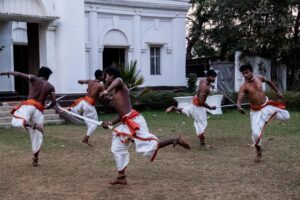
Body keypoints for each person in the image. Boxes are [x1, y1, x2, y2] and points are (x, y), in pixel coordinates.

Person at [100, 66, 190, 185]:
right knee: (117, 147)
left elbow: (119, 80)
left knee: (148, 145)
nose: (104, 79)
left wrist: (106, 91)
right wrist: (110, 123)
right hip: (126, 122)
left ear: (111, 77)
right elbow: (121, 114)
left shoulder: (120, 84)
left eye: (106, 76)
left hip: (134, 121)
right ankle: (121, 176)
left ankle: (174, 139)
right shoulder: (113, 92)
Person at [0, 67, 56, 167]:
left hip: (29, 105)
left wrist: (7, 72)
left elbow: (18, 74)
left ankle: (33, 125)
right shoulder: (51, 86)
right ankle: (35, 160)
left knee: (16, 120)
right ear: (48, 76)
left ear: (40, 73)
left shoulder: (34, 78)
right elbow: (54, 102)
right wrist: (48, 107)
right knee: (37, 137)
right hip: (39, 110)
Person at [237, 64, 290, 162]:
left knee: (286, 116)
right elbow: (239, 98)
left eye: (247, 72)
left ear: (251, 71)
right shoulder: (244, 86)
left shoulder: (259, 78)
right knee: (255, 134)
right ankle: (258, 151)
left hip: (267, 105)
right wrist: (239, 106)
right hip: (255, 111)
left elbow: (269, 82)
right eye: (243, 73)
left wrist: (278, 91)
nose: (245, 75)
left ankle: (270, 115)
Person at [165, 69, 217, 148]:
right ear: (208, 76)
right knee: (201, 125)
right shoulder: (205, 88)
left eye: (214, 77)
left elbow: (203, 88)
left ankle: (174, 109)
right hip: (198, 106)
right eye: (212, 77)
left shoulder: (203, 81)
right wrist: (210, 107)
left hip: (194, 102)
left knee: (188, 110)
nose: (214, 79)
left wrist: (211, 85)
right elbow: (201, 102)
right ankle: (202, 143)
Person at [68, 70, 105, 146]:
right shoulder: (101, 85)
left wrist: (80, 82)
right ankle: (85, 139)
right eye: (103, 75)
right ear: (99, 76)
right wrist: (107, 97)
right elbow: (102, 97)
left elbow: (81, 81)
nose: (103, 77)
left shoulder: (90, 81)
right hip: (89, 106)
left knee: (88, 121)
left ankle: (71, 109)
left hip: (83, 102)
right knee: (94, 124)